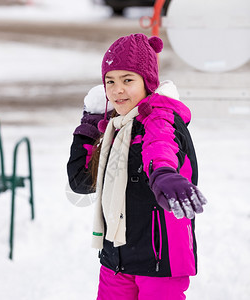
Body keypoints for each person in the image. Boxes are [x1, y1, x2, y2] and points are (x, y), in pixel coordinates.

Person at [67, 33, 207, 300]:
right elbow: (81, 181)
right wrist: (89, 125)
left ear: (148, 82)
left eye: (128, 80)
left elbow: (160, 146)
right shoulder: (114, 128)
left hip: (159, 258)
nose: (117, 90)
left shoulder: (161, 118)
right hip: (117, 256)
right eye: (110, 81)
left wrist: (164, 173)